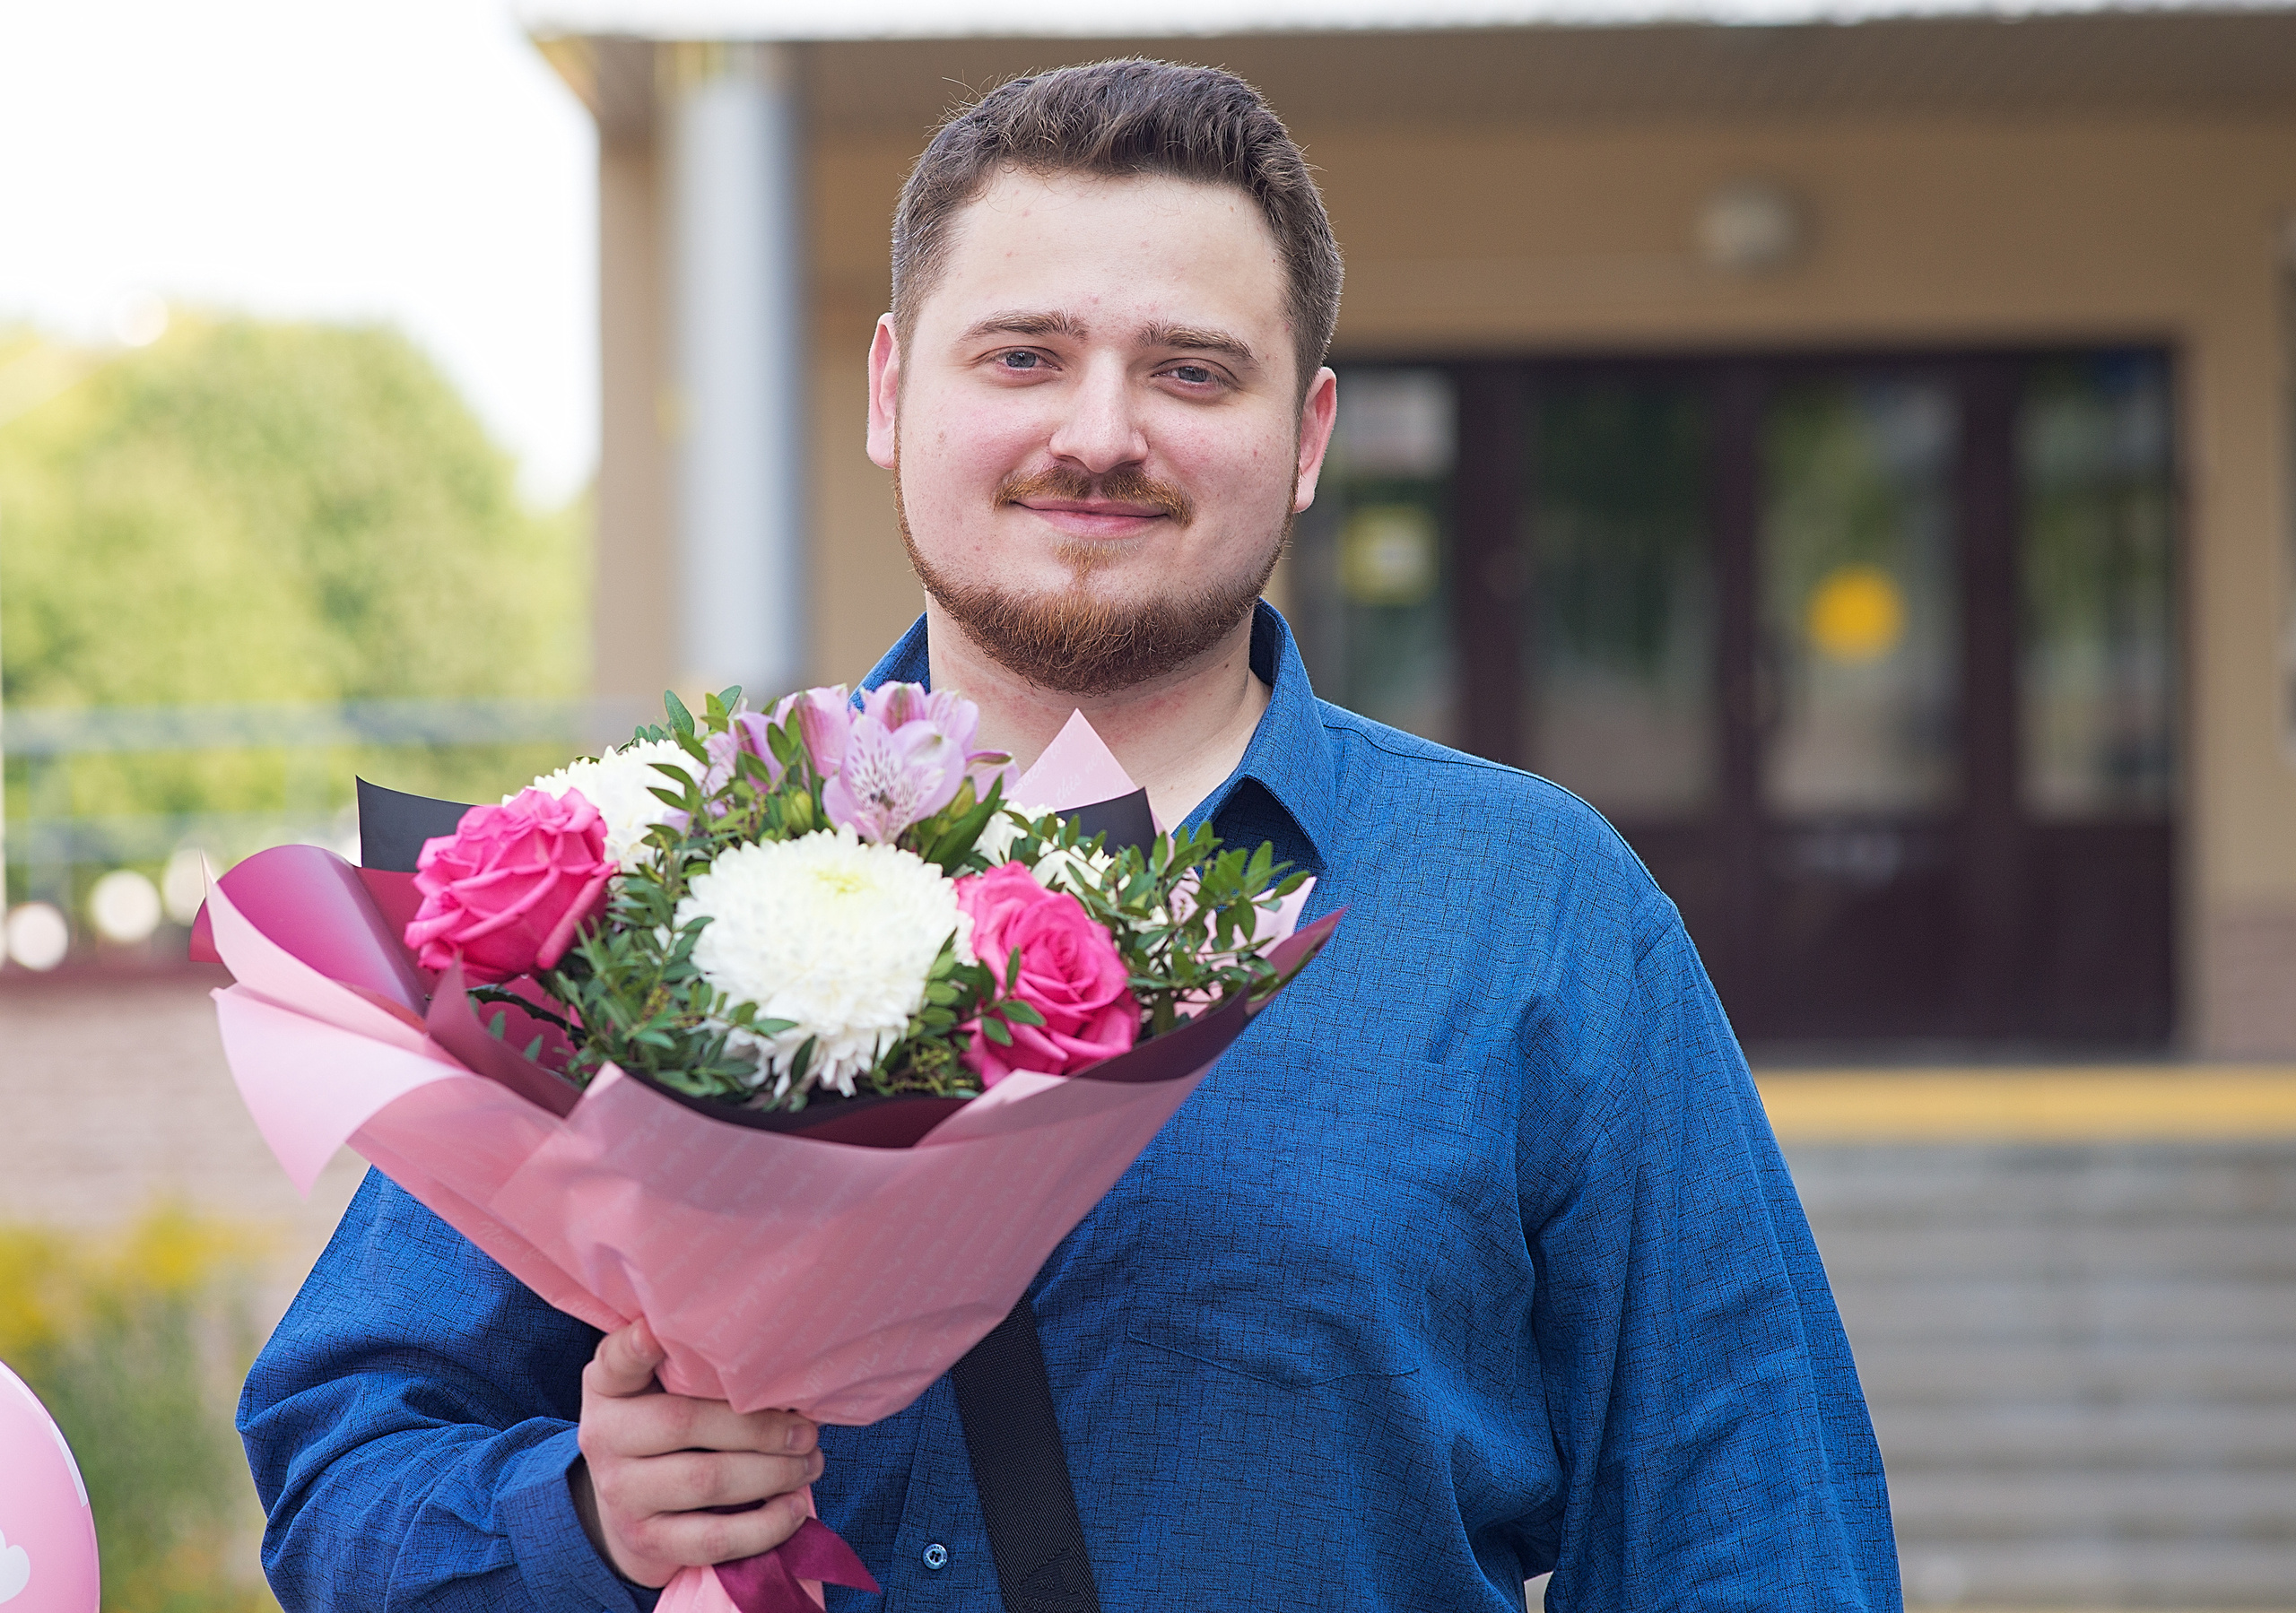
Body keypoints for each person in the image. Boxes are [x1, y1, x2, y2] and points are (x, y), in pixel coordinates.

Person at [240, 59, 1900, 1611]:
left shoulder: (1536, 909)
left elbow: (1751, 1528)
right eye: (1022, 355)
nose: (1100, 433)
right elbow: (342, 1480)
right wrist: (587, 1517)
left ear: (1307, 437)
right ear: (896, 392)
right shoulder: (637, 882)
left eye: (1191, 371)